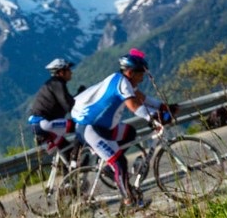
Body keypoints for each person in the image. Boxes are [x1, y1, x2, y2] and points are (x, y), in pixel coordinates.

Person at [70, 49, 176, 208]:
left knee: (130, 133)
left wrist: (163, 107)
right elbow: (134, 106)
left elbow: (142, 98)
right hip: (90, 129)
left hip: (103, 126)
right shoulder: (122, 83)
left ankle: (108, 164)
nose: (142, 78)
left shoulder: (124, 81)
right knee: (120, 162)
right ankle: (130, 200)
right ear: (131, 72)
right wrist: (154, 118)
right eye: (141, 73)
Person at [28, 58, 78, 157]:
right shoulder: (57, 83)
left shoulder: (52, 84)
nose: (71, 72)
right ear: (61, 72)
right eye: (68, 70)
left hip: (37, 124)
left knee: (67, 150)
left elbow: (67, 101)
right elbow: (68, 105)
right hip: (44, 124)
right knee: (80, 126)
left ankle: (68, 169)